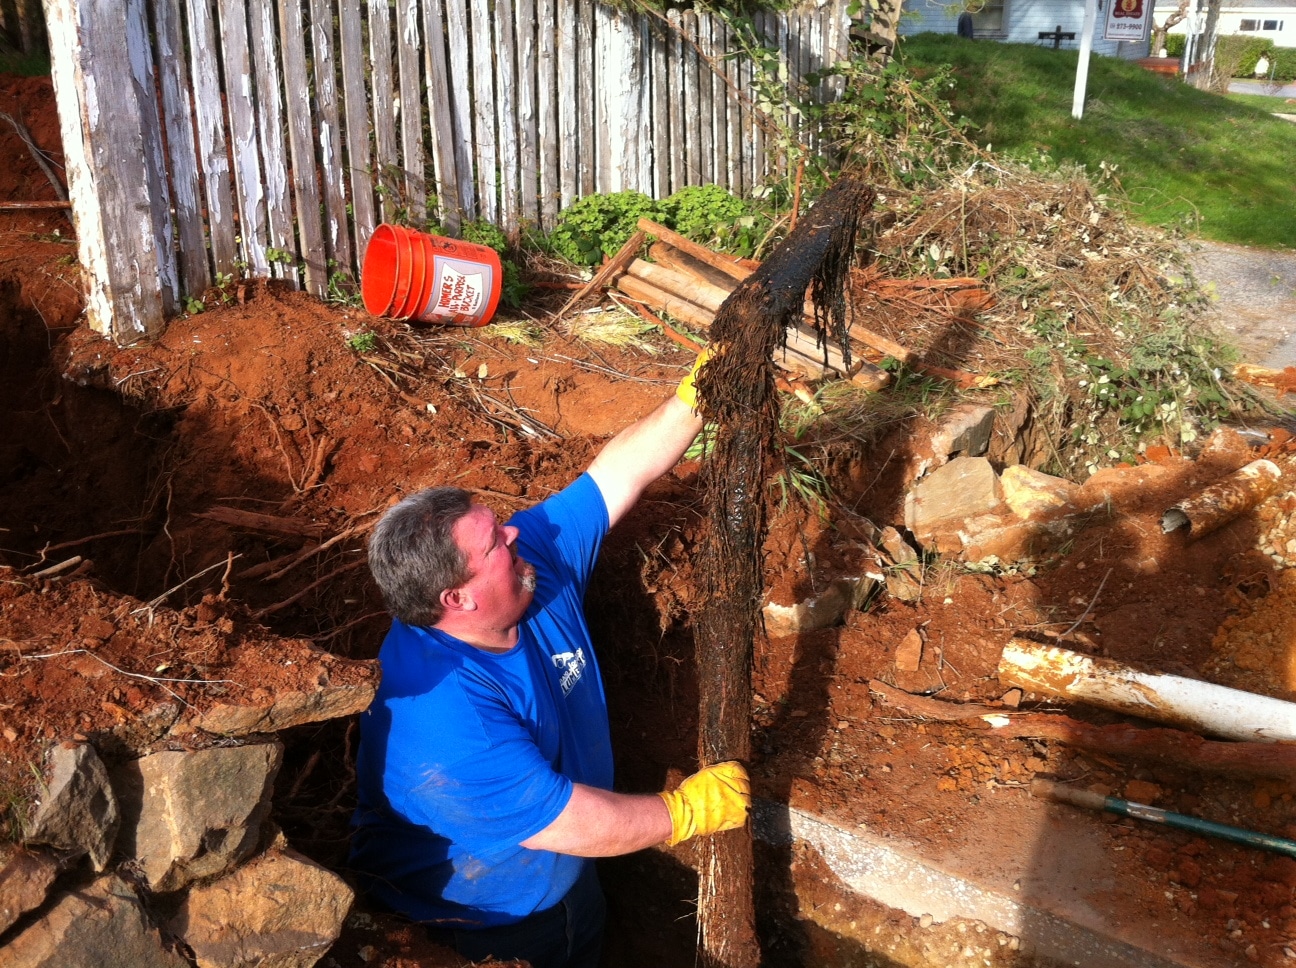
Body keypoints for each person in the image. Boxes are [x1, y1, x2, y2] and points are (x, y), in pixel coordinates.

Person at [349, 352, 751, 968]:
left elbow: (612, 477)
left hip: (568, 883)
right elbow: (571, 821)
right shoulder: (443, 720)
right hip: (489, 926)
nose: (514, 533)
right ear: (457, 598)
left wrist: (691, 402)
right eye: (494, 544)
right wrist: (687, 811)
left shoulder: (528, 570)